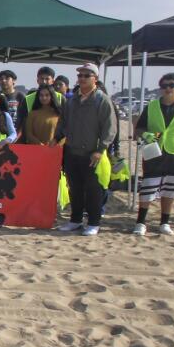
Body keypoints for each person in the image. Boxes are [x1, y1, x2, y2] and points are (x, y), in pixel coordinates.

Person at [133, 73, 174, 236]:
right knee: (148, 187)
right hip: (154, 151)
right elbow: (139, 128)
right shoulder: (152, 106)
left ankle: (165, 222)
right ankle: (141, 222)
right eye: (164, 86)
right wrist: (148, 135)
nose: (167, 89)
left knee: (170, 188)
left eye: (171, 85)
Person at [54, 63, 116, 236]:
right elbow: (63, 122)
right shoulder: (72, 100)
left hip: (92, 154)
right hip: (72, 152)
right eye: (80, 75)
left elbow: (109, 128)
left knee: (93, 190)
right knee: (75, 188)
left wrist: (100, 148)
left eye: (86, 75)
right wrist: (56, 138)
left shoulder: (101, 100)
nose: (82, 78)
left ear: (95, 79)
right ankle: (75, 220)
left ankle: (94, 222)